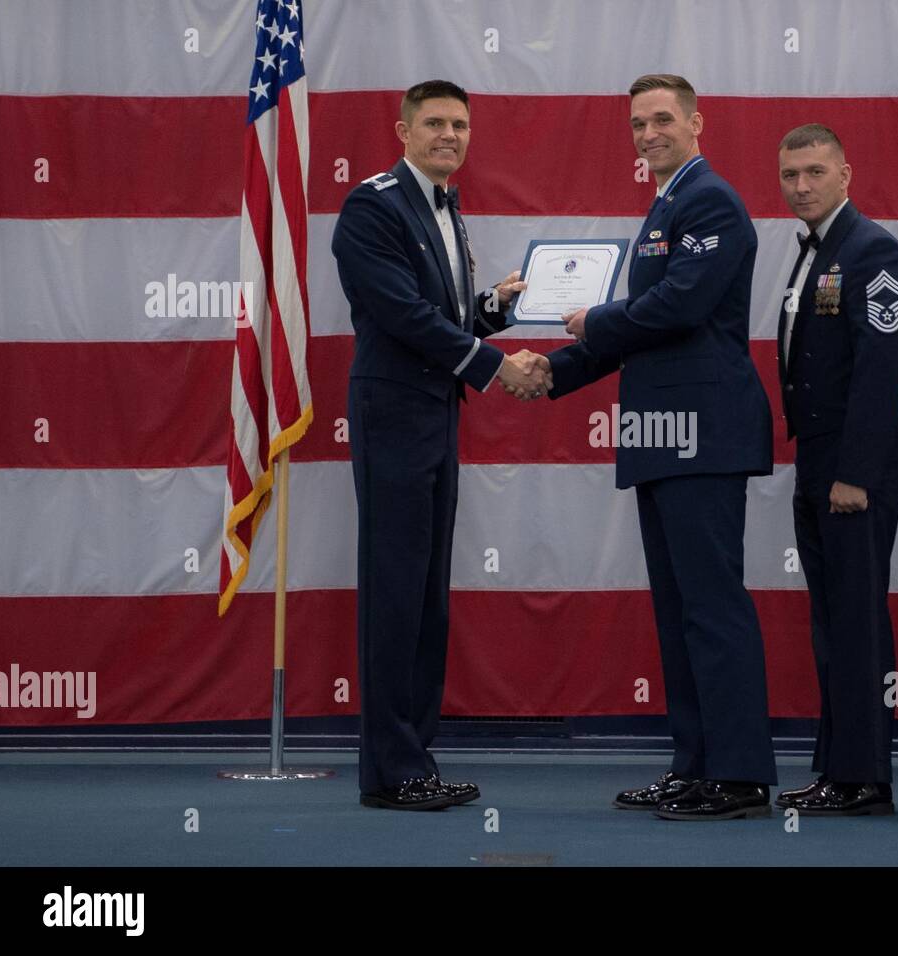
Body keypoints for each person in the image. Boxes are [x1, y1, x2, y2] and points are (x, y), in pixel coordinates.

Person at [550, 74, 777, 820]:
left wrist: (594, 323)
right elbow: (643, 328)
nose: (649, 134)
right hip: (663, 437)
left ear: (696, 122)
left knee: (711, 609)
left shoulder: (710, 199)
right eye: (638, 124)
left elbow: (677, 306)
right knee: (681, 612)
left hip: (703, 436)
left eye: (661, 120)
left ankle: (738, 775)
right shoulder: (667, 205)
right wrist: (544, 374)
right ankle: (695, 763)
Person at [331, 79, 550, 810]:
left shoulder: (444, 205)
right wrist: (493, 366)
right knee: (396, 592)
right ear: (402, 130)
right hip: (395, 414)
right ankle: (392, 770)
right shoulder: (374, 204)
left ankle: (413, 761)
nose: (449, 135)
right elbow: (400, 313)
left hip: (434, 414)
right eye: (434, 123)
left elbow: (444, 315)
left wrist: (493, 311)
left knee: (425, 597)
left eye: (459, 124)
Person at [772, 125, 898, 816]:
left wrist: (854, 472)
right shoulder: (816, 250)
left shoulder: (872, 249)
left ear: (845, 173)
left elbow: (882, 371)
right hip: (818, 457)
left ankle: (863, 777)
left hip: (858, 460)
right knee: (832, 620)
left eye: (814, 172)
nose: (801, 185)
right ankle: (837, 768)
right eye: (790, 174)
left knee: (855, 621)